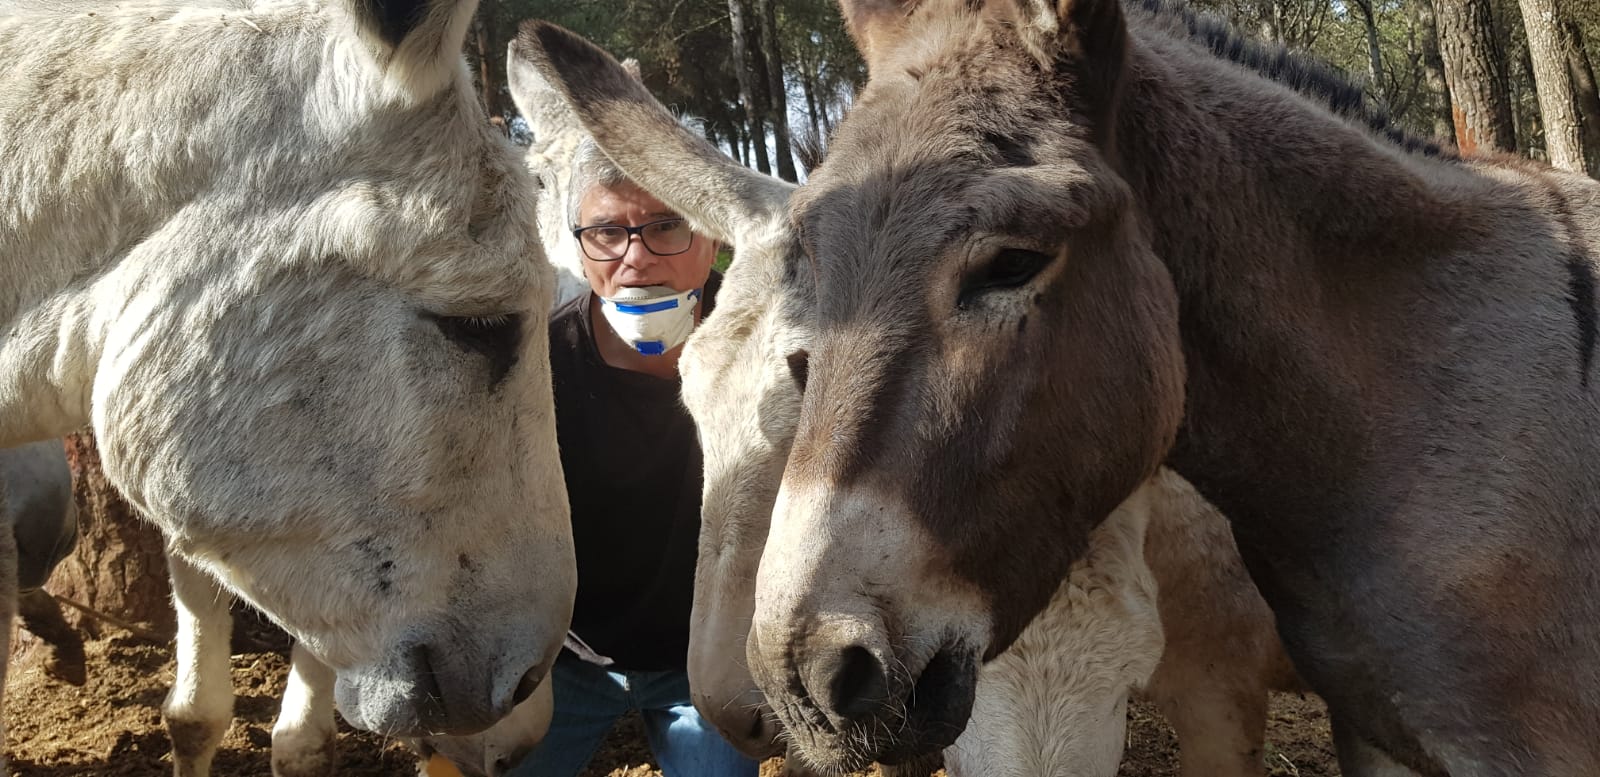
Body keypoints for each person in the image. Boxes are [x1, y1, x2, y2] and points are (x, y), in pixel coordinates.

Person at [508, 139, 756, 777]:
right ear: (580, 246)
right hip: (565, 662)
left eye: (666, 226)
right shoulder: (534, 368)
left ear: (713, 236)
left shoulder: (771, 353)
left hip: (703, 662)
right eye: (608, 232)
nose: (636, 258)